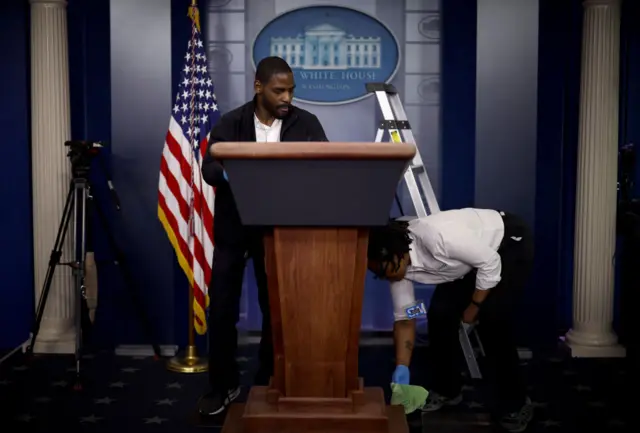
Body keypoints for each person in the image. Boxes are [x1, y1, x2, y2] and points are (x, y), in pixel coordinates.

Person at [198, 56, 328, 416]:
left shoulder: (306, 123)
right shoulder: (232, 122)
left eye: (291, 90)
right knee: (222, 308)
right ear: (259, 87)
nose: (287, 97)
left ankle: (270, 378)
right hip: (233, 229)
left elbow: (327, 163)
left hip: (281, 230)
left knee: (277, 308)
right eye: (279, 90)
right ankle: (222, 385)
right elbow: (209, 166)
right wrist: (233, 173)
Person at [366, 208, 534, 432]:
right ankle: (448, 389)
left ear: (395, 253)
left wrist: (473, 307)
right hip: (465, 265)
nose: (386, 277)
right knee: (440, 316)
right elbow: (407, 318)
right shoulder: (399, 270)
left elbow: (490, 263)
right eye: (379, 274)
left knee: (493, 319)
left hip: (505, 244)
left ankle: (516, 403)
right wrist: (402, 367)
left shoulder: (436, 237)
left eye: (384, 269)